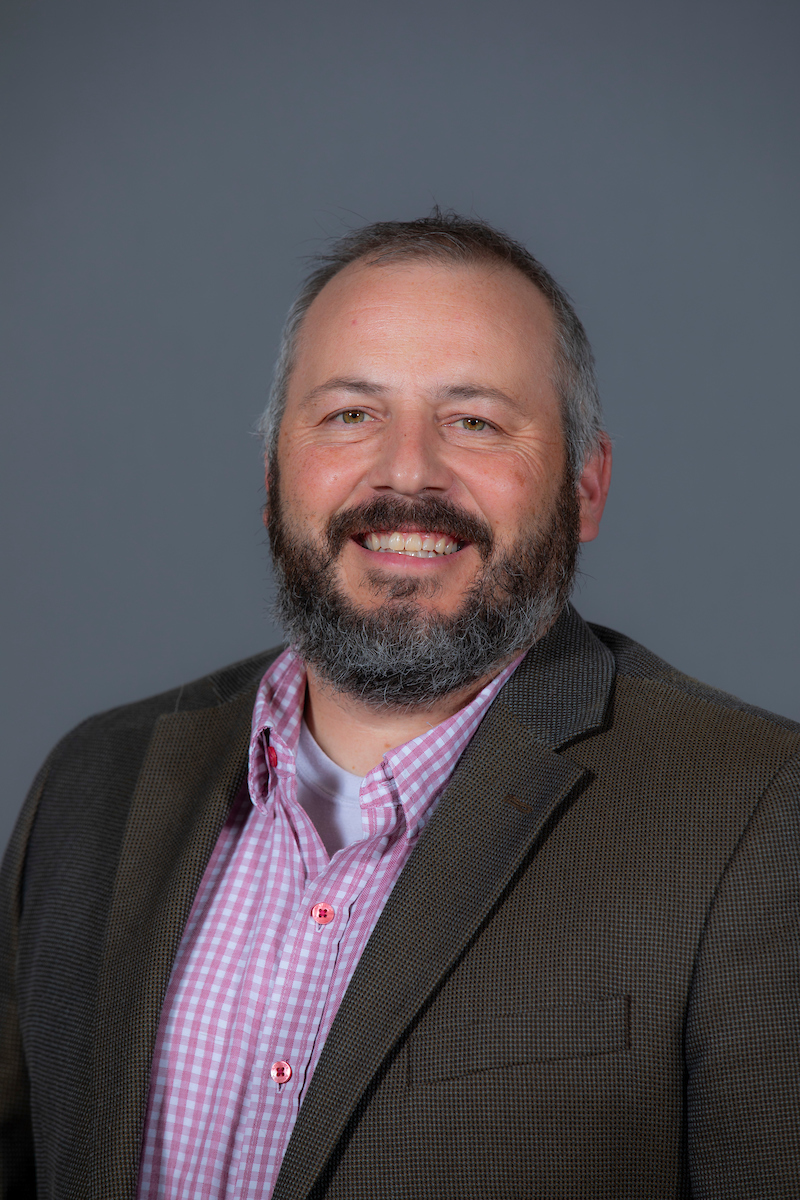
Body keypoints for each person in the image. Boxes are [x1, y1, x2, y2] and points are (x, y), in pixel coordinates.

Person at [1, 211, 798, 1200]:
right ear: (271, 477)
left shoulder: (756, 816)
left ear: (585, 488)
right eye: (350, 414)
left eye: (475, 421)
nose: (408, 470)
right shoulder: (94, 783)